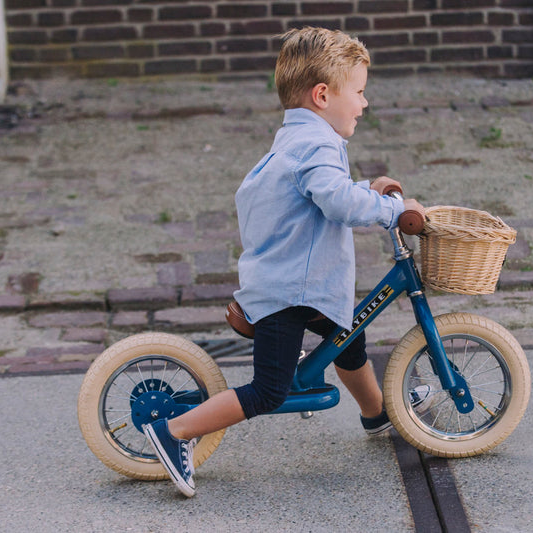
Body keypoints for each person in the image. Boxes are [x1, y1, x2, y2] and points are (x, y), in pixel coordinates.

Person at [143, 26, 425, 498]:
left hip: (297, 283)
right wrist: (395, 211)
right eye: (358, 92)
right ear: (322, 95)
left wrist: (366, 192)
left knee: (348, 340)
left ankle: (377, 413)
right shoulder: (315, 146)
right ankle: (174, 433)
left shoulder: (301, 139)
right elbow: (335, 202)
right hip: (289, 292)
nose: (365, 102)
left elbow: (325, 193)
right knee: (269, 392)